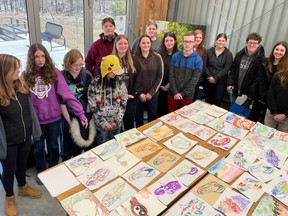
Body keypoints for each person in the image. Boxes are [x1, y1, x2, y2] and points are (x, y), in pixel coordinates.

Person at [23, 43, 88, 183]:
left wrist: (81, 114)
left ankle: (53, 170)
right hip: (36, 121)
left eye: (43, 56)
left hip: (53, 119)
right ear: (31, 58)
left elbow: (68, 95)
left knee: (53, 145)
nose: (40, 59)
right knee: (38, 147)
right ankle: (41, 171)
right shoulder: (25, 75)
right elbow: (22, 100)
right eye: (36, 57)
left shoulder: (54, 72)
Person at [0, 54, 42, 216]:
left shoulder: (22, 85)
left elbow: (30, 111)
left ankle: (23, 187)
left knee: (22, 164)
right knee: (9, 170)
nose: (19, 71)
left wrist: (35, 130)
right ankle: (9, 197)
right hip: (8, 141)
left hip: (25, 136)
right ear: (5, 71)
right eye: (16, 69)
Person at [60, 49, 96, 160]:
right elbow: (61, 102)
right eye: (75, 65)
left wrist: (88, 113)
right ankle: (67, 158)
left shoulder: (86, 75)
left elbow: (90, 95)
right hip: (67, 113)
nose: (78, 68)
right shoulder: (62, 77)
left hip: (84, 112)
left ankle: (83, 158)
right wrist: (69, 121)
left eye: (81, 64)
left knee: (84, 137)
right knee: (67, 138)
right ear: (68, 64)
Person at [88, 55, 128, 145]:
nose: (116, 74)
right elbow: (93, 106)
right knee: (101, 148)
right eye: (114, 71)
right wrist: (104, 123)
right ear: (106, 70)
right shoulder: (95, 84)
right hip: (101, 126)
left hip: (116, 124)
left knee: (115, 146)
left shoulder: (120, 82)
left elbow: (123, 102)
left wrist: (117, 120)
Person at [249, 41, 288, 122]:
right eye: (277, 49)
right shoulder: (264, 62)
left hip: (272, 102)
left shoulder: (285, 68)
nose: (278, 52)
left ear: (285, 53)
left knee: (264, 123)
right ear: (273, 50)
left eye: (282, 50)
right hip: (259, 97)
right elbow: (257, 79)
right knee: (252, 120)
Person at [227, 32, 265, 110]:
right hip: (235, 89)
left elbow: (257, 79)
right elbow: (233, 70)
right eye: (250, 42)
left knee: (241, 115)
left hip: (247, 93)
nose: (252, 45)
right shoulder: (239, 55)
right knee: (232, 110)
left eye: (255, 43)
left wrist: (249, 94)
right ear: (246, 43)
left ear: (258, 45)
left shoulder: (261, 59)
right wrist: (230, 83)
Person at [168, 31, 203, 112]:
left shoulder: (198, 60)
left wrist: (182, 94)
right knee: (171, 117)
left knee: (184, 119)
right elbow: (171, 75)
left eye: (190, 42)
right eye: (185, 41)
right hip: (172, 94)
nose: (187, 44)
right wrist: (175, 92)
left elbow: (194, 81)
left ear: (194, 43)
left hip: (187, 96)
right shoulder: (175, 56)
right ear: (183, 42)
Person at [133, 34, 163, 127]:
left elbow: (160, 76)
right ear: (139, 44)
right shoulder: (134, 58)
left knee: (152, 118)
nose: (146, 45)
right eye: (143, 43)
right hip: (139, 96)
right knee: (138, 118)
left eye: (148, 43)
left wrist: (151, 93)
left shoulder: (157, 57)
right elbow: (132, 78)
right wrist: (139, 93)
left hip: (153, 95)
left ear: (151, 44)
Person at [112, 35, 138, 130]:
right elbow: (107, 81)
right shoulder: (110, 60)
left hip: (130, 98)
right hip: (115, 99)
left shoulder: (133, 60)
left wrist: (131, 94)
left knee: (129, 126)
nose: (123, 46)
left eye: (125, 43)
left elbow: (137, 79)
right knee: (116, 127)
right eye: (120, 43)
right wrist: (120, 95)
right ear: (115, 45)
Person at [203, 33, 233, 107]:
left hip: (220, 81)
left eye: (223, 41)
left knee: (217, 100)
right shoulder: (208, 51)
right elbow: (204, 65)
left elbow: (227, 68)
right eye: (219, 40)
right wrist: (209, 76)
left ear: (225, 42)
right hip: (208, 79)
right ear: (216, 41)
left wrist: (215, 78)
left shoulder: (228, 54)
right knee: (207, 100)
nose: (221, 42)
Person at [158, 31, 179, 117]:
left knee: (169, 113)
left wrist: (169, 84)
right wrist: (160, 85)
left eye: (171, 40)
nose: (169, 43)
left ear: (175, 41)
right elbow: (156, 70)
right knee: (159, 112)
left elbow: (178, 72)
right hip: (159, 87)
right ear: (164, 42)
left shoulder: (179, 55)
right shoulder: (158, 54)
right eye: (166, 41)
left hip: (172, 88)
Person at [264, 58, 288, 132]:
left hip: (286, 117)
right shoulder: (277, 75)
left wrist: (285, 115)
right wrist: (274, 113)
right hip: (271, 112)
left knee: (281, 138)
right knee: (265, 133)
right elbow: (270, 94)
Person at [193, 29, 205, 101]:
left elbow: (203, 66)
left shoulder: (204, 51)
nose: (198, 39)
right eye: (196, 37)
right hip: (186, 78)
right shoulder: (188, 48)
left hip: (196, 79)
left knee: (193, 99)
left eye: (200, 38)